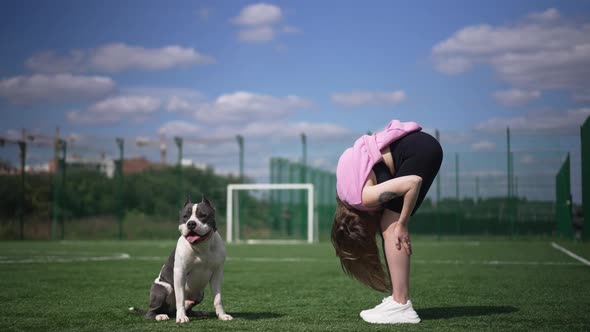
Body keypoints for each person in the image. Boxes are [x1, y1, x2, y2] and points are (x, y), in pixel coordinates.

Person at [331, 119, 443, 324]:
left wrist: (402, 223)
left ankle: (401, 305)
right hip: (416, 145)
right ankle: (397, 299)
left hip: (419, 151)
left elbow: (412, 182)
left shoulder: (364, 198)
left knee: (390, 227)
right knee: (387, 223)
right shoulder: (344, 193)